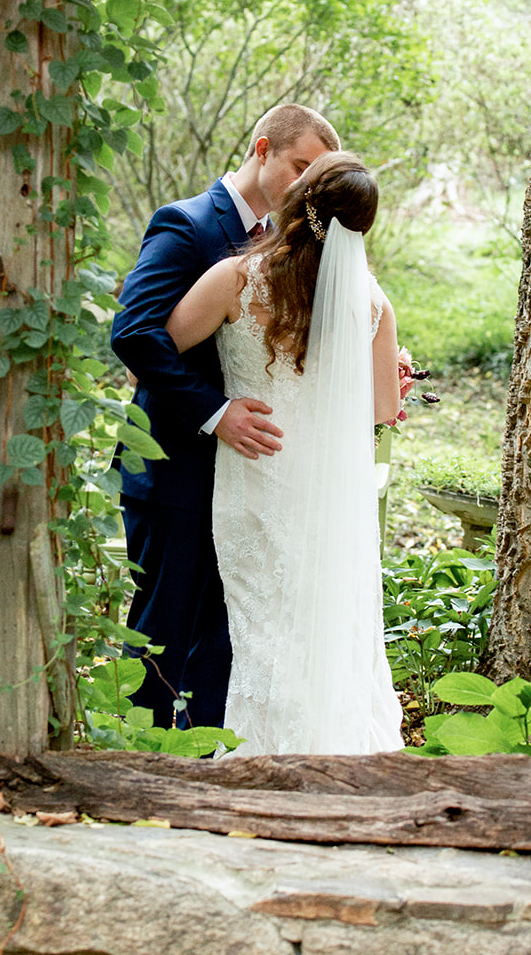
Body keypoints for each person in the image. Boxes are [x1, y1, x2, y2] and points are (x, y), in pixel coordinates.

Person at [166, 151, 404, 754]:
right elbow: (379, 410)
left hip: (257, 475)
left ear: (298, 202)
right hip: (329, 493)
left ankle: (261, 756)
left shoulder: (236, 281)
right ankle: (331, 753)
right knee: (324, 629)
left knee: (262, 632)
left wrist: (217, 408)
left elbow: (163, 344)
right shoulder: (373, 305)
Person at [110, 104, 340, 729]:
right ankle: (138, 764)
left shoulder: (286, 239)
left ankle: (209, 764)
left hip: (247, 483)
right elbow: (134, 336)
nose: (304, 187)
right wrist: (215, 413)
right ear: (262, 149)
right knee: (162, 633)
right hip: (174, 469)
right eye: (298, 167)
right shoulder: (183, 226)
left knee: (226, 636)